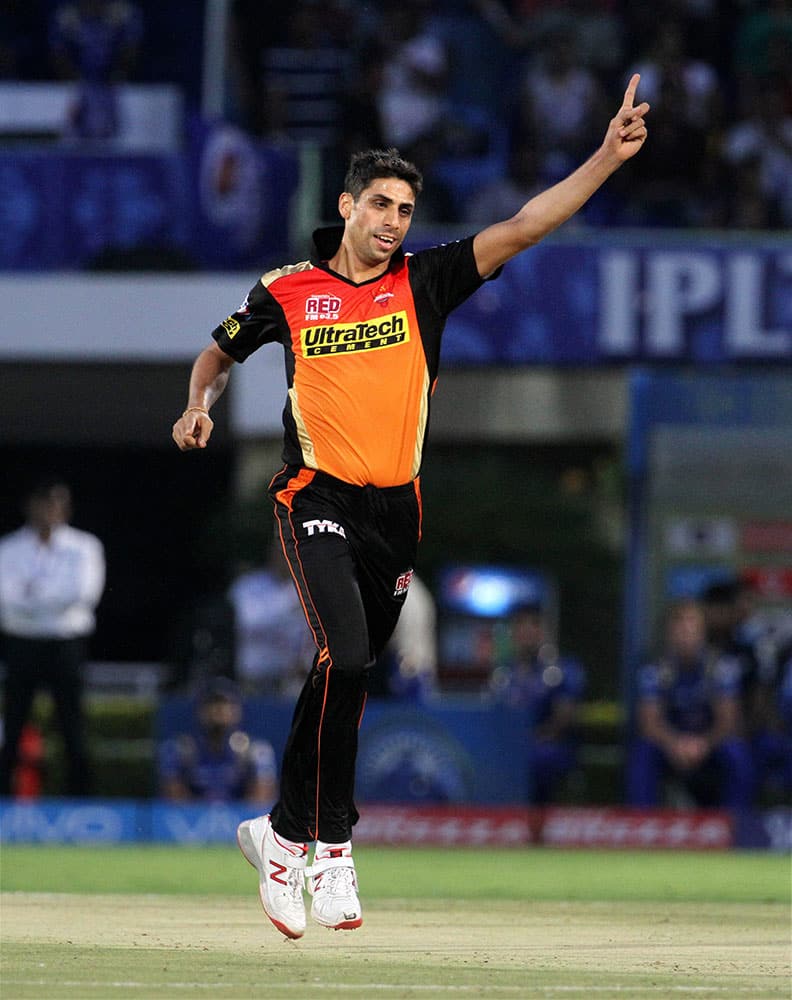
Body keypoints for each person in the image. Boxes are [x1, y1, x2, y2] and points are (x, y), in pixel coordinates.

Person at [172, 75, 649, 939]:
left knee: (348, 675)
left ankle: (279, 833)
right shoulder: (289, 291)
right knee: (345, 655)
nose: (394, 220)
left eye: (406, 209)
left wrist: (605, 159)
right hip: (312, 494)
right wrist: (198, 403)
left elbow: (528, 224)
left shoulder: (425, 282)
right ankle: (333, 848)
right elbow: (217, 352)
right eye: (381, 204)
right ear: (348, 205)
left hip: (398, 513)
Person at [0, 478, 105, 796]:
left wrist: (32, 597)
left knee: (72, 723)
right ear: (30, 507)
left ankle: (80, 798)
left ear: (65, 508)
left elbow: (82, 593)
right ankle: (4, 796)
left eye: (55, 503)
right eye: (43, 503)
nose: (48, 510)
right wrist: (48, 599)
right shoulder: (9, 547)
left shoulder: (85, 547)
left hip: (65, 644)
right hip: (22, 643)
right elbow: (5, 597)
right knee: (14, 721)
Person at [627, 599, 753, 811]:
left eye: (691, 625)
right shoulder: (655, 669)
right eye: (679, 626)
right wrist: (675, 744)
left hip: (710, 744)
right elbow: (649, 722)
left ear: (702, 631)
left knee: (737, 753)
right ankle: (643, 822)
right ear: (669, 633)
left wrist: (702, 744)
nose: (685, 632)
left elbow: (729, 721)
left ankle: (735, 825)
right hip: (669, 744)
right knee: (643, 752)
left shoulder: (720, 666)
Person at [490, 603, 585, 804]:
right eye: (520, 624)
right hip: (507, 744)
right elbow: (493, 715)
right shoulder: (502, 673)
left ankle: (537, 821)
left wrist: (530, 739)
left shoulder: (562, 670)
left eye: (534, 624)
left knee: (537, 758)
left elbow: (564, 719)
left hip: (549, 744)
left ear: (544, 630)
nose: (527, 631)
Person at [157, 676, 278, 804]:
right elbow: (174, 802)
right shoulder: (180, 750)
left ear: (238, 711)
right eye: (212, 703)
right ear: (200, 710)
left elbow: (260, 803)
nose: (219, 709)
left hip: (242, 821)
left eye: (226, 704)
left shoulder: (255, 751)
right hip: (192, 821)